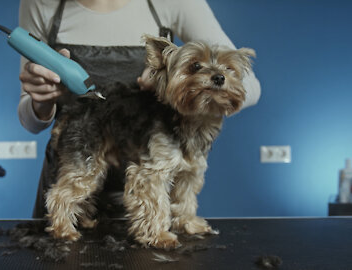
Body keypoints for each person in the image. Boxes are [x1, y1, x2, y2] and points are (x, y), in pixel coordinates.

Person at [17, 0, 261, 218]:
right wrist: (42, 99)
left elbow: (248, 84)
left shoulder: (175, 3)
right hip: (72, 154)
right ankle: (64, 211)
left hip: (147, 174)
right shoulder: (40, 4)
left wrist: (170, 84)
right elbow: (30, 121)